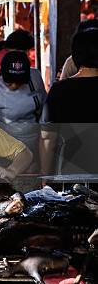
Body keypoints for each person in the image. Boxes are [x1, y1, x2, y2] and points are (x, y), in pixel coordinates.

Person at [42, 28, 98, 176]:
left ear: (75, 55)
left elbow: (48, 138)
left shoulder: (59, 90)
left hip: (72, 170)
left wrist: (45, 176)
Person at [0, 51, 46, 163]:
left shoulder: (35, 76)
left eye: (19, 82)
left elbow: (44, 105)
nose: (14, 85)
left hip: (36, 141)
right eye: (9, 82)